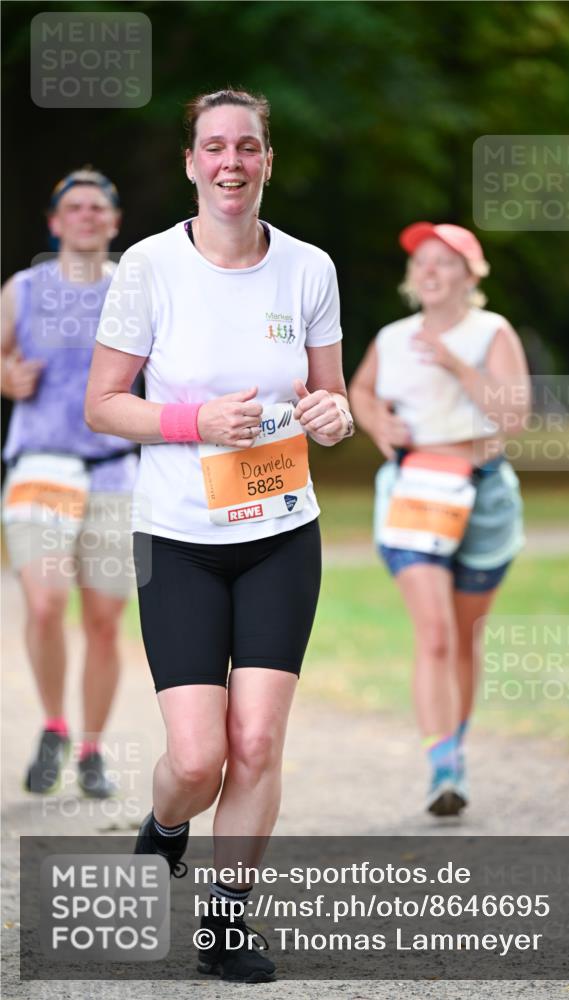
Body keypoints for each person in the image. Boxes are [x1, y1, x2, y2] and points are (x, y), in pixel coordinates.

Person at [85, 88, 353, 983]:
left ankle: (227, 925)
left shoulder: (309, 268)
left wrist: (331, 416)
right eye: (214, 147)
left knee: (258, 743)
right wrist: (196, 421)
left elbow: (331, 399)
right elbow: (105, 405)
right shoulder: (151, 268)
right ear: (193, 162)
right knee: (197, 761)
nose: (231, 162)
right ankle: (166, 827)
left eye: (248, 147)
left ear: (265, 160)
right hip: (178, 536)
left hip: (281, 528)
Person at [349, 222, 530, 818]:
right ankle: (442, 764)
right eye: (421, 262)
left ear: (469, 274)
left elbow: (516, 414)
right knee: (434, 633)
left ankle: (456, 744)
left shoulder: (490, 331)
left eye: (443, 262)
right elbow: (362, 392)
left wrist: (456, 364)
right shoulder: (393, 336)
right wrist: (379, 423)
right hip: (413, 492)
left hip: (482, 493)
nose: (428, 271)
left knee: (463, 639)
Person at [1, 168, 137, 799]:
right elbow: (2, 358)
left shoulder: (135, 294)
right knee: (47, 602)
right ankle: (54, 722)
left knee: (106, 622)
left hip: (114, 472)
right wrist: (6, 377)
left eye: (97, 208)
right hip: (43, 467)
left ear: (113, 223)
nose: (86, 216)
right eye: (74, 208)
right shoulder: (22, 289)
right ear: (55, 223)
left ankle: (91, 748)